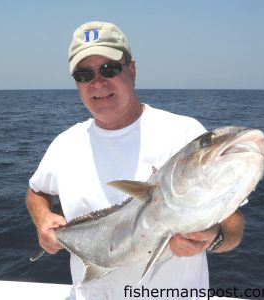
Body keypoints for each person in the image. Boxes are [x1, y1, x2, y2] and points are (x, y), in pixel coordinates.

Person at [26, 21, 244, 300]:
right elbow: (37, 191)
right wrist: (43, 218)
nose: (97, 82)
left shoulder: (185, 136)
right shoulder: (65, 143)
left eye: (109, 69)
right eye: (84, 74)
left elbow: (234, 228)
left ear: (132, 70)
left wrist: (213, 237)